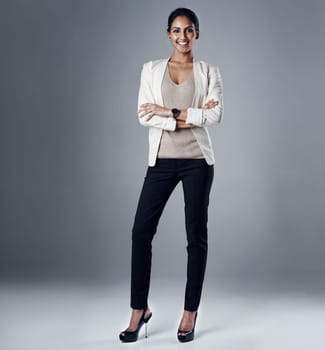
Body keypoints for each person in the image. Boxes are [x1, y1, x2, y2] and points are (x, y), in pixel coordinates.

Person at [119, 7, 223, 343]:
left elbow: (216, 115)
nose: (183, 37)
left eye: (189, 30)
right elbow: (143, 114)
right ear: (168, 35)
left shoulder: (209, 72)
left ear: (197, 34)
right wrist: (190, 115)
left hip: (197, 162)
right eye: (176, 31)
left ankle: (190, 311)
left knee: (196, 237)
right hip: (161, 160)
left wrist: (169, 111)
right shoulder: (150, 70)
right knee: (141, 232)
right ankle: (139, 309)